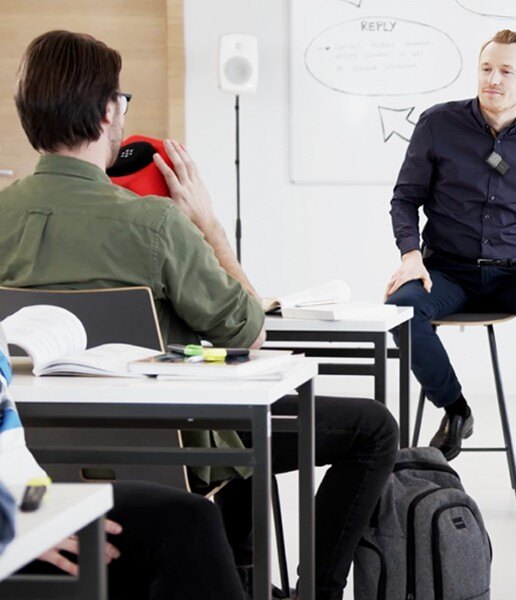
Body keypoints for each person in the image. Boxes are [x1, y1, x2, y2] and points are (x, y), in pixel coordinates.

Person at [0, 30, 398, 599]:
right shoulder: (157, 225)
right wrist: (208, 225)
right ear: (111, 110)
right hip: (178, 452)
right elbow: (250, 331)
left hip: (34, 459)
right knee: (373, 429)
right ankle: (316, 592)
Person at [386, 29, 516, 530]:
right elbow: (404, 198)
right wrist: (411, 255)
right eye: (486, 69)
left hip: (513, 276)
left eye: (506, 71)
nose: (493, 79)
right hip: (445, 273)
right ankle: (456, 410)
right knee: (398, 312)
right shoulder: (439, 124)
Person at [0, 326, 247, 600]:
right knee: (183, 526)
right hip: (14, 519)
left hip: (30, 496)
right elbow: (245, 330)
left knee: (184, 521)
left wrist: (35, 505)